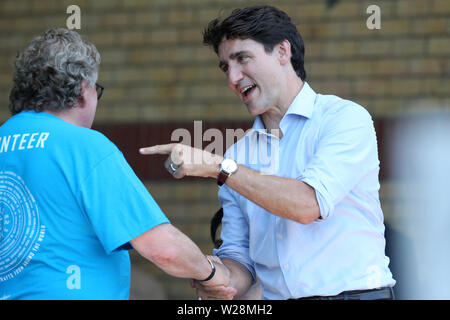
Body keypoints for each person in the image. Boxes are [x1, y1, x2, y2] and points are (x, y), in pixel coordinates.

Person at [140, 5, 396, 300]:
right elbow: (241, 268)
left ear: (282, 52)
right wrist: (207, 273)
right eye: (225, 67)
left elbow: (306, 205)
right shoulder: (237, 154)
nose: (232, 79)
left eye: (242, 59)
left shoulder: (345, 118)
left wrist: (218, 167)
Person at [0, 28, 231, 300]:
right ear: (82, 92)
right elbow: (162, 248)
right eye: (97, 89)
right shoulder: (84, 145)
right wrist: (213, 274)